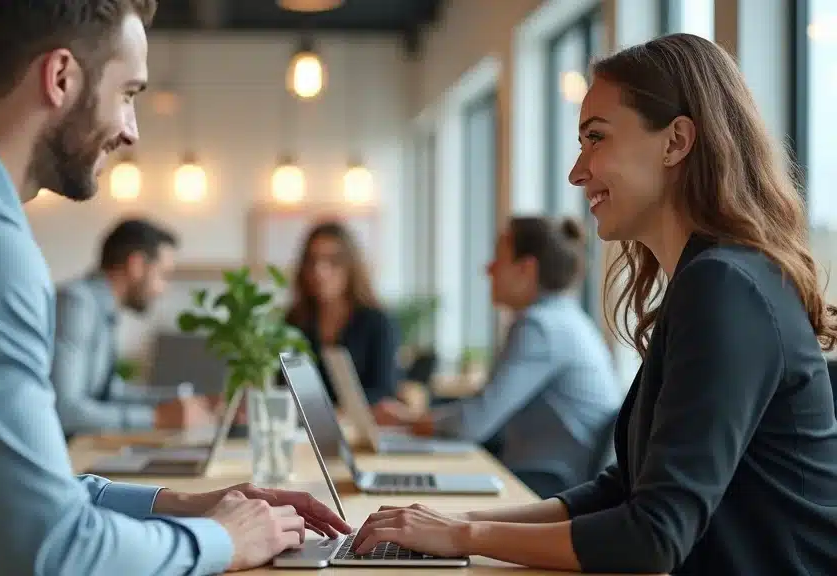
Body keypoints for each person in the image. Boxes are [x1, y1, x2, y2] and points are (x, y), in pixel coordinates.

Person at [0, 2, 350, 574]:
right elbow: (52, 551)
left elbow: (26, 492)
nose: (130, 131)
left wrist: (188, 505)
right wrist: (218, 541)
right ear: (61, 78)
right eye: (128, 94)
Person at [350, 33, 837, 575]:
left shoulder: (727, 286)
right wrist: (456, 526)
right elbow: (620, 490)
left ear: (676, 142)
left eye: (596, 139)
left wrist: (467, 534)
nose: (577, 172)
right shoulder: (712, 279)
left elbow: (651, 539)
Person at [409, 216, 622, 498]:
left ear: (526, 269)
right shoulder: (565, 318)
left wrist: (411, 421)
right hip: (558, 479)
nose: (488, 269)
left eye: (498, 258)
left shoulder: (540, 326)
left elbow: (474, 423)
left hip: (548, 485)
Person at [53, 217, 214, 439]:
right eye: (163, 275)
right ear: (136, 265)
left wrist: (186, 401)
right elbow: (66, 411)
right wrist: (157, 418)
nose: (163, 290)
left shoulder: (100, 308)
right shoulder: (77, 304)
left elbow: (108, 392)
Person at [285, 221, 410, 425]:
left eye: (332, 261)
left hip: (362, 430)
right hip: (304, 431)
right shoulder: (293, 322)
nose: (320, 271)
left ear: (351, 267)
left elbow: (384, 392)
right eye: (312, 261)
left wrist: (336, 411)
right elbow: (282, 387)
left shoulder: (378, 323)